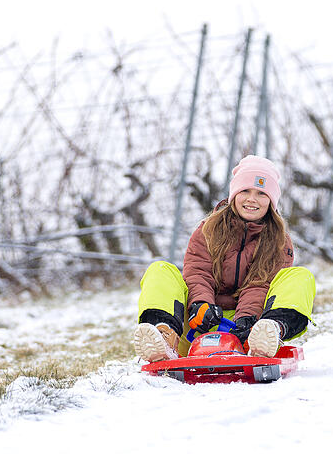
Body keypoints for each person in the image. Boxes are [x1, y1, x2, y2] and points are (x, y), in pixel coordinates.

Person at [133, 155, 316, 362]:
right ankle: (165, 337)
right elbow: (198, 271)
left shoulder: (279, 241)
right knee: (160, 270)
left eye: (261, 194)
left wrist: (248, 319)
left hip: (249, 331)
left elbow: (261, 284)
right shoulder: (208, 230)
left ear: (271, 201)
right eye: (245, 191)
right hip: (198, 324)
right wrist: (200, 304)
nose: (251, 199)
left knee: (300, 276)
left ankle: (272, 330)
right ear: (234, 194)